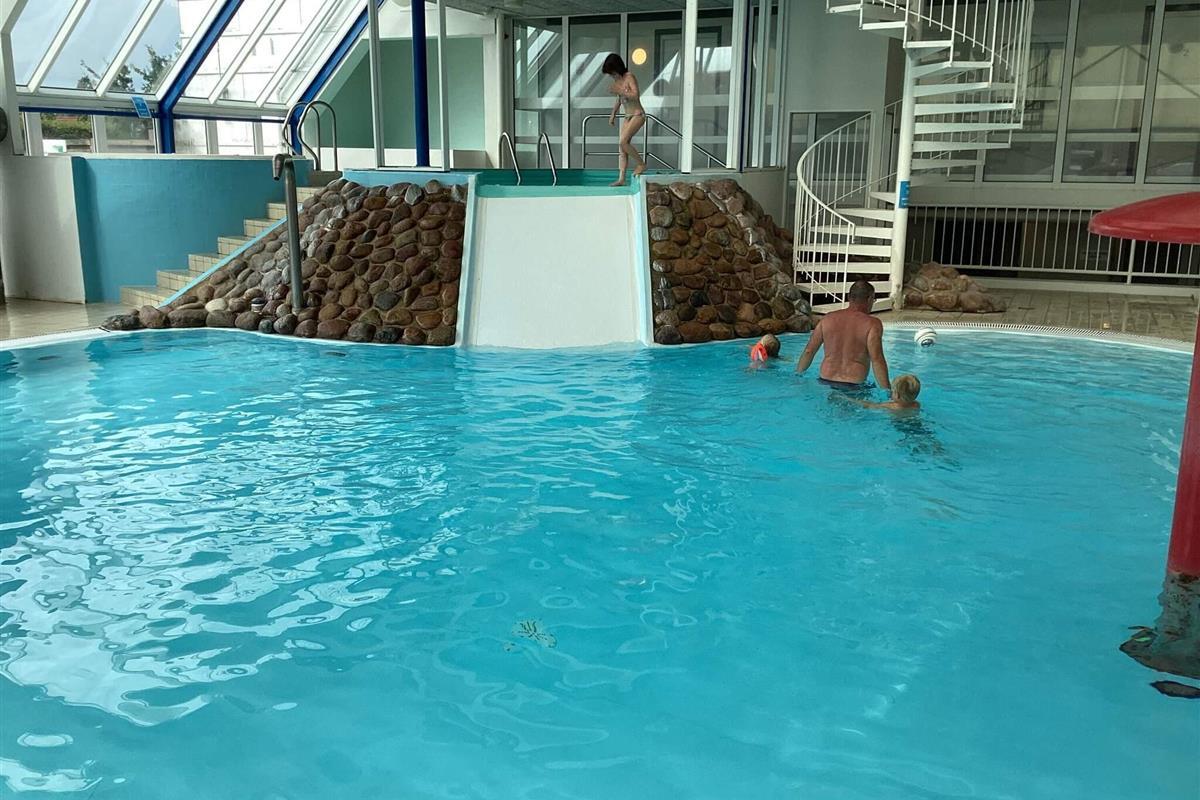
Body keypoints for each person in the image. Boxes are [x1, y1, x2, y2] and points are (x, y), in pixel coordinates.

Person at [795, 279, 891, 391]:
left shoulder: (827, 319)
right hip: (854, 385)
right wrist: (888, 392)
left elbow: (809, 351)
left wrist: (798, 375)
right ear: (870, 299)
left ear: (849, 297)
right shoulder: (872, 324)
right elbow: (877, 360)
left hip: (825, 381)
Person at [603, 54, 647, 187]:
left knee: (623, 142)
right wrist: (613, 114)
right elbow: (619, 99)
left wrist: (621, 91)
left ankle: (641, 164)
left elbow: (635, 95)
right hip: (627, 116)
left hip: (638, 114)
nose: (613, 76)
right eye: (611, 74)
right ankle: (621, 178)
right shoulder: (617, 81)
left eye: (613, 73)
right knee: (622, 147)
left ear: (618, 68)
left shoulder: (629, 77)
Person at [854, 374, 921, 411]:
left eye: (893, 391)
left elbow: (870, 405)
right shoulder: (916, 405)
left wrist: (856, 401)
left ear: (897, 395)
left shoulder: (891, 406)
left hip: (898, 424)